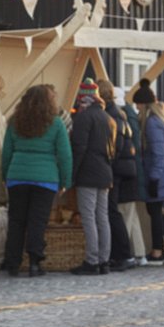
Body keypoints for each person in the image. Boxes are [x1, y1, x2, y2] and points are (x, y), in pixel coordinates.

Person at [2, 84, 72, 277]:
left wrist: (5, 176)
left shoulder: (15, 121)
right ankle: (34, 263)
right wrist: (65, 181)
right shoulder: (56, 123)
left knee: (16, 221)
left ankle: (12, 263)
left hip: (17, 176)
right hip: (45, 178)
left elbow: (7, 152)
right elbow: (65, 155)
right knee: (37, 222)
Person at [70, 78, 116, 276]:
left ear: (83, 98)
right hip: (105, 172)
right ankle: (104, 260)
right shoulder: (109, 119)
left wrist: (72, 174)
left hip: (88, 172)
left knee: (88, 217)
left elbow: (79, 148)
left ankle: (92, 261)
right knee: (102, 217)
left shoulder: (83, 118)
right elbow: (113, 151)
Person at [96, 80, 137, 272]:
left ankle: (124, 254)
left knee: (111, 211)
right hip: (122, 168)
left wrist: (107, 164)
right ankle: (119, 254)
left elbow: (116, 146)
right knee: (112, 211)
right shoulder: (117, 112)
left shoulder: (111, 115)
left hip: (116, 169)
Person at [133, 78, 164, 265]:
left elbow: (157, 152)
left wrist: (154, 178)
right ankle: (161, 249)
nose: (137, 109)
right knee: (157, 212)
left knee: (154, 212)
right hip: (161, 174)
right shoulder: (159, 119)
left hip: (158, 175)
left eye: (138, 105)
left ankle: (157, 251)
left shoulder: (152, 123)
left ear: (144, 105)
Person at [114, 86, 147, 265]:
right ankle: (139, 253)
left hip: (126, 173)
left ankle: (125, 254)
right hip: (132, 173)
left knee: (124, 214)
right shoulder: (131, 118)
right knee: (130, 214)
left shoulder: (122, 119)